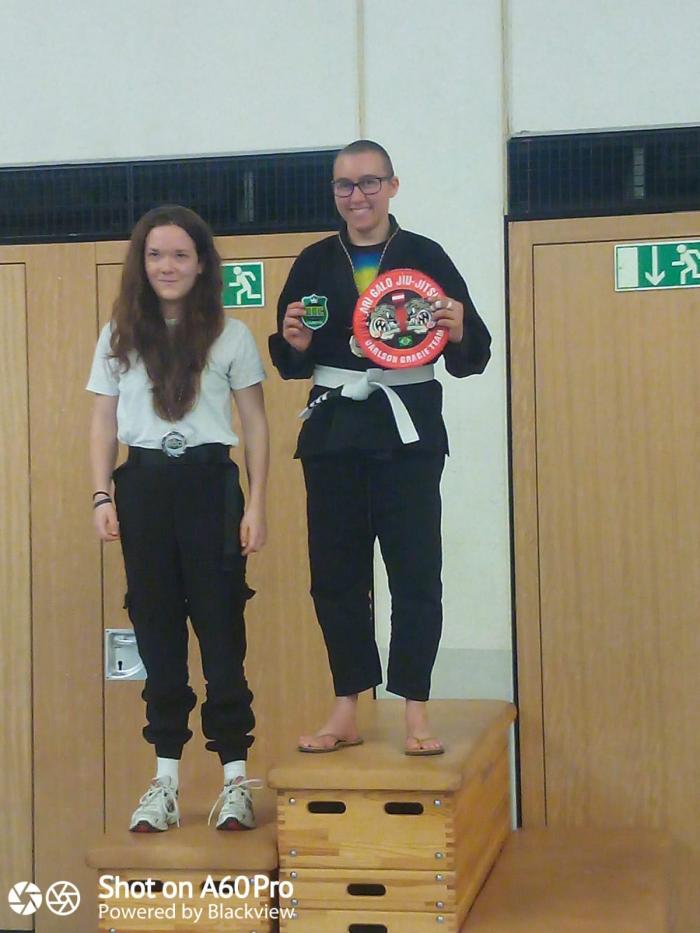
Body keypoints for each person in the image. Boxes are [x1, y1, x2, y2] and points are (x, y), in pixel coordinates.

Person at [269, 140, 491, 756]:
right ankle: (348, 704)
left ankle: (416, 707)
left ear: (393, 186)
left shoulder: (426, 256)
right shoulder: (314, 261)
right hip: (334, 432)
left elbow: (472, 354)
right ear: (333, 193)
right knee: (334, 574)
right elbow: (288, 356)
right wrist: (292, 342)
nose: (357, 196)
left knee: (415, 571)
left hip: (408, 432)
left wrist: (458, 329)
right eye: (344, 185)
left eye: (370, 182)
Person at [88, 205, 269, 831]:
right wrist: (101, 496)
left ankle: (235, 780)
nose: (167, 265)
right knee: (157, 628)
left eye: (180, 255)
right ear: (142, 263)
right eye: (156, 254)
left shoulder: (231, 335)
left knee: (221, 630)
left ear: (200, 264)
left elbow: (255, 423)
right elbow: (102, 420)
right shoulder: (119, 334)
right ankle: (164, 782)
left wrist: (257, 503)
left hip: (209, 485)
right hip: (142, 488)